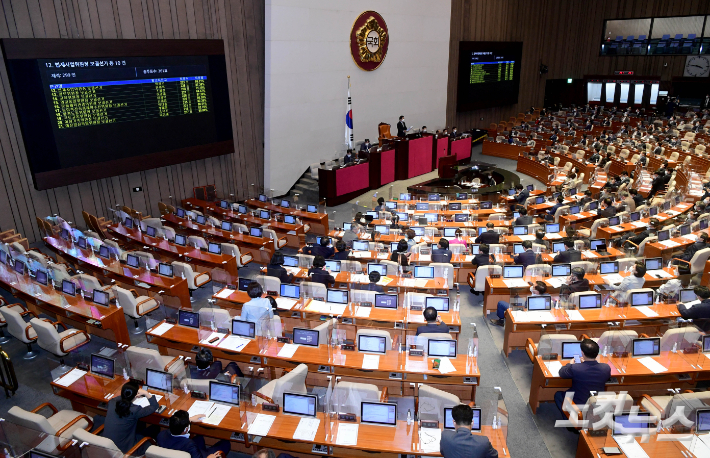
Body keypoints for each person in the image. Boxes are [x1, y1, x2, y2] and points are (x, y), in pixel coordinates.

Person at [555, 339, 611, 417]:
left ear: (582, 353)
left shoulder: (575, 368)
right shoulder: (606, 368)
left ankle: (572, 422)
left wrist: (570, 364)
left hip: (579, 403)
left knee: (558, 395)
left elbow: (562, 373)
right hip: (596, 402)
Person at [104, 381, 160, 453]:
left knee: (140, 424)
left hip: (108, 443)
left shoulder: (112, 402)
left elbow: (122, 398)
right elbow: (155, 406)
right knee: (155, 429)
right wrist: (146, 393)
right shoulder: (134, 410)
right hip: (124, 447)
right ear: (136, 395)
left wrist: (130, 394)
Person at [157, 410, 231, 458]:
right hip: (196, 455)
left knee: (199, 438)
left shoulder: (161, 435)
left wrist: (188, 420)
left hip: (175, 450)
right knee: (225, 444)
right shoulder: (189, 444)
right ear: (186, 429)